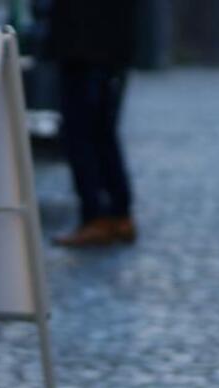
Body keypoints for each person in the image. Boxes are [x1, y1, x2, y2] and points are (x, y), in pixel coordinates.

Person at [49, 0, 138, 247]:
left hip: (83, 43)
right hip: (109, 43)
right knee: (103, 132)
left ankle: (96, 216)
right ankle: (119, 213)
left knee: (80, 133)